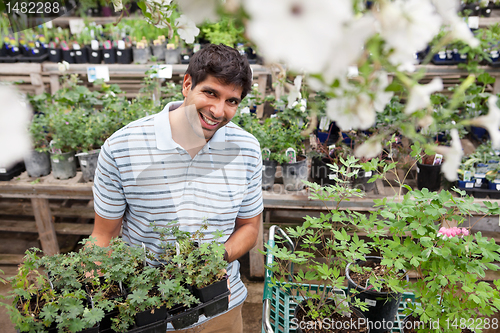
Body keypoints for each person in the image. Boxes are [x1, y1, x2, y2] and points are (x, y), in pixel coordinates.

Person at [90, 44, 263, 333]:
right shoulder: (122, 147)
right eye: (210, 93)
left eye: (231, 101)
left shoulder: (246, 149)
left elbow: (250, 228)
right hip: (147, 311)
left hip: (222, 307)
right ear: (186, 84)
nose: (218, 111)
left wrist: (214, 260)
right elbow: (103, 235)